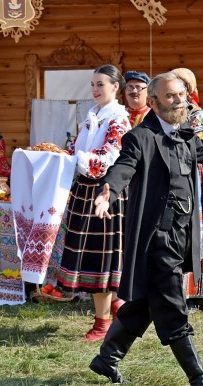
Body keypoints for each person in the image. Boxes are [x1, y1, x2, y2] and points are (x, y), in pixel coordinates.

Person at [89, 72, 203, 386]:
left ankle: (107, 358)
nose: (178, 101)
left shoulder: (185, 134)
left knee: (144, 302)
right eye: (170, 96)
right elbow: (123, 168)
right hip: (155, 238)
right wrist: (108, 192)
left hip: (180, 235)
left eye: (181, 95)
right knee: (173, 305)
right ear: (154, 102)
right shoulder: (140, 137)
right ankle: (199, 380)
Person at [56, 64, 132, 341]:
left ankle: (102, 324)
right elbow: (78, 148)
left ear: (115, 87)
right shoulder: (93, 116)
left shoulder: (118, 120)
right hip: (85, 190)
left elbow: (107, 158)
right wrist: (62, 155)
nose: (95, 89)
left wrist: (76, 158)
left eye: (101, 84)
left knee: (101, 258)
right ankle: (116, 307)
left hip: (105, 191)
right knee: (90, 255)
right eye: (92, 84)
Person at [172, 67, 203, 312]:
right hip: (170, 175)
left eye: (180, 86)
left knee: (192, 231)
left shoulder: (194, 112)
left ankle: (192, 294)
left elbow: (202, 143)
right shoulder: (163, 112)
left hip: (191, 177)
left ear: (188, 89)